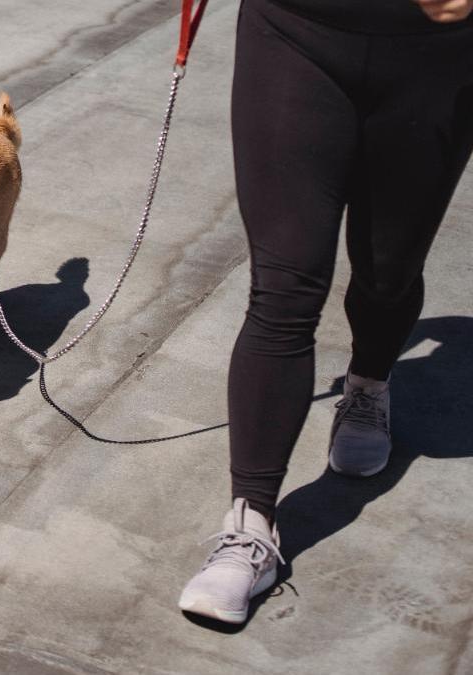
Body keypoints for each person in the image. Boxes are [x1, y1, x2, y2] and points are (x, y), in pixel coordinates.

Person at [177, 0, 473, 624]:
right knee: (284, 288)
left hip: (437, 58)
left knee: (388, 275)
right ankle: (250, 524)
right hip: (295, 31)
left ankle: (368, 384)